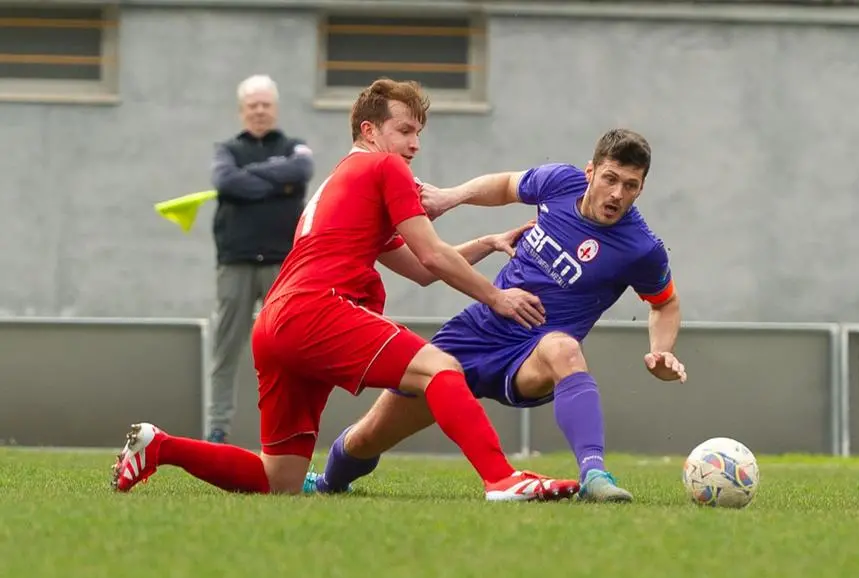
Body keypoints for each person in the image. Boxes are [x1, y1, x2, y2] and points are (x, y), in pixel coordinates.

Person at [111, 78, 579, 502]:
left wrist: (487, 243)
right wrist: (497, 297)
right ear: (369, 131)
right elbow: (432, 255)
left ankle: (161, 447)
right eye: (404, 131)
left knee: (281, 480)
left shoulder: (341, 179)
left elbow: (418, 268)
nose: (414, 144)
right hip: (317, 308)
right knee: (442, 369)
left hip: (276, 324)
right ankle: (501, 479)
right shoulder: (384, 168)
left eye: (419, 133)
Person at [310, 128, 687, 503]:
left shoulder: (641, 248)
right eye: (610, 179)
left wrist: (662, 349)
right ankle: (328, 483)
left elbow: (665, 303)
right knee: (368, 436)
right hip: (478, 329)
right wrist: (450, 197)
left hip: (532, 352)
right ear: (590, 172)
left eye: (631, 186)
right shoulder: (559, 182)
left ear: (641, 189)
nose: (618, 194)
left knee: (564, 349)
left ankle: (594, 474)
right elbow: (506, 185)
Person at [207, 74, 314, 444]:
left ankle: (289, 431)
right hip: (235, 263)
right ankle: (218, 430)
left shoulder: (294, 147)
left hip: (282, 266)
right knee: (226, 349)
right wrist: (275, 183)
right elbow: (225, 181)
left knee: (286, 348)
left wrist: (247, 178)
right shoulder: (226, 151)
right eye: (252, 105)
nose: (259, 110)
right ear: (242, 111)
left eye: (265, 104)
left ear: (275, 108)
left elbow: (301, 171)